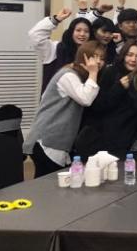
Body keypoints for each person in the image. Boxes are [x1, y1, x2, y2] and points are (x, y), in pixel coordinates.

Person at [23, 41, 104, 176]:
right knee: (47, 184)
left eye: (102, 58)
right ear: (83, 57)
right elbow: (86, 99)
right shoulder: (68, 75)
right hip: (47, 141)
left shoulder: (79, 76)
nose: (99, 62)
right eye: (94, 57)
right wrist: (93, 73)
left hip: (56, 143)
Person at [29, 8, 93, 91]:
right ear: (71, 32)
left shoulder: (91, 53)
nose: (82, 34)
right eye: (78, 30)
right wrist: (56, 19)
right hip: (55, 97)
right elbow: (35, 35)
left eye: (86, 31)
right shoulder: (55, 49)